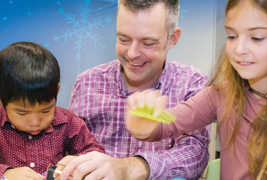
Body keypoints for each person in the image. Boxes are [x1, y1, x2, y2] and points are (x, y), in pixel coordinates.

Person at [125, 0, 267, 179]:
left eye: (256, 38)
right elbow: (169, 123)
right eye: (232, 36)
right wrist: (143, 126)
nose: (239, 49)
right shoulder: (220, 94)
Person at [63, 0, 210, 180]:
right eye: (123, 39)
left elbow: (195, 153)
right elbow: (68, 145)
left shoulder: (192, 83)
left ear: (172, 38)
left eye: (147, 43)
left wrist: (129, 168)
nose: (132, 53)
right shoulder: (87, 83)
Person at [0, 42, 105, 180]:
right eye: (22, 113)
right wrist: (6, 173)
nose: (35, 122)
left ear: (56, 91)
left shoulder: (69, 122)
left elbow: (96, 153)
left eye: (45, 111)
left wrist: (74, 163)